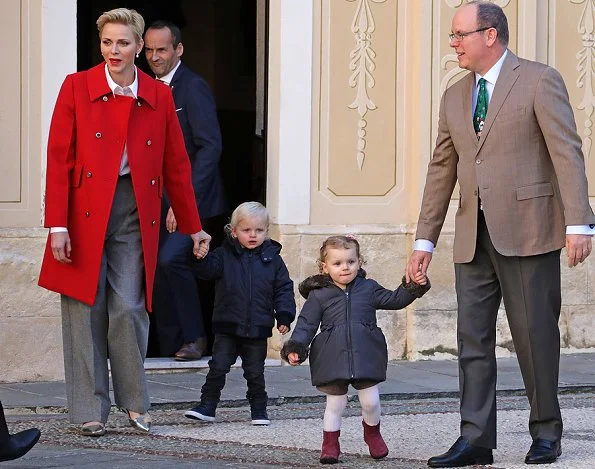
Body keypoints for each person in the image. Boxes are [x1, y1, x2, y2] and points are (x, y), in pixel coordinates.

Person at [406, 1, 595, 466]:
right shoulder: (454, 95)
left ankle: (546, 432)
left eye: (459, 35)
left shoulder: (538, 79)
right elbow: (440, 170)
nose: (453, 45)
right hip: (473, 236)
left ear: (490, 35)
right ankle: (476, 440)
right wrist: (423, 240)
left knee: (535, 336)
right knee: (471, 339)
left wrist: (578, 222)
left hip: (530, 230)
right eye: (453, 36)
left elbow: (566, 152)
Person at [38, 7, 211, 437]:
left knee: (130, 306)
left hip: (136, 209)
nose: (114, 51)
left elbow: (176, 164)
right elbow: (58, 159)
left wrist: (193, 225)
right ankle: (88, 410)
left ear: (138, 47)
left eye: (123, 43)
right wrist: (57, 223)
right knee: (84, 309)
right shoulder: (76, 87)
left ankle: (135, 403)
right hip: (81, 211)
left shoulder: (158, 94)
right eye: (107, 42)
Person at [282, 236, 430, 464]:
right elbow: (306, 324)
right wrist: (297, 347)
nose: (345, 268)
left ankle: (372, 433)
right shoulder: (319, 294)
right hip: (332, 355)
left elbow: (395, 299)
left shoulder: (368, 288)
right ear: (325, 267)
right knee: (335, 404)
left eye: (350, 262)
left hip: (366, 352)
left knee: (370, 402)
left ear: (359, 262)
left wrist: (414, 285)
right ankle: (330, 443)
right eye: (337, 263)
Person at [144, 21, 227, 361]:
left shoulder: (192, 87)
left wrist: (184, 201)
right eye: (148, 50)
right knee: (156, 268)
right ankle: (168, 345)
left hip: (194, 198)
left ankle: (195, 337)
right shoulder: (143, 86)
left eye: (161, 50)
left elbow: (210, 147)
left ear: (178, 49)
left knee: (170, 260)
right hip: (156, 200)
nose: (154, 56)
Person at [184, 202, 296, 426]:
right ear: (234, 232)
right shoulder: (223, 255)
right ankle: (207, 405)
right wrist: (199, 255)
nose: (253, 235)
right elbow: (205, 272)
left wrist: (284, 315)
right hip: (227, 325)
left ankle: (258, 409)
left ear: (267, 231)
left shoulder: (273, 259)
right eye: (246, 230)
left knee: (255, 373)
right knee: (218, 367)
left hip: (258, 328)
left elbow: (283, 288)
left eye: (259, 230)